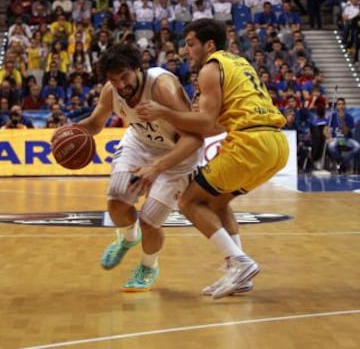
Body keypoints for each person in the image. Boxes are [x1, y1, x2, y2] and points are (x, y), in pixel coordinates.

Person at [137, 19, 289, 299]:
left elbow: (206, 124)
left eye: (190, 44)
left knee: (189, 201)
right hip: (276, 143)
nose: (186, 51)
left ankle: (239, 263)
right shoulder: (240, 63)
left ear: (209, 45)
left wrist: (164, 112)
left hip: (250, 143)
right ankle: (239, 274)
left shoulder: (211, 68)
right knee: (218, 202)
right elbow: (217, 125)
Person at [75, 45, 202, 292]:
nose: (121, 85)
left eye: (125, 77)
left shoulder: (161, 87)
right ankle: (128, 239)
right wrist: (69, 133)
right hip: (140, 143)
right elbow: (94, 123)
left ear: (137, 68)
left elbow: (194, 138)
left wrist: (156, 168)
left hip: (178, 153)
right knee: (116, 200)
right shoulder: (111, 91)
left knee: (150, 221)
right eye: (114, 80)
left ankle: (148, 266)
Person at [325, 97, 360, 173]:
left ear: (345, 106)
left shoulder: (349, 117)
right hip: (336, 139)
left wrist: (342, 120)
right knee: (331, 146)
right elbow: (325, 129)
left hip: (346, 139)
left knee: (357, 147)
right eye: (339, 104)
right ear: (336, 106)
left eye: (343, 104)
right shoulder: (332, 116)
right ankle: (341, 162)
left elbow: (346, 132)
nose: (341, 106)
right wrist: (329, 137)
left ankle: (343, 163)